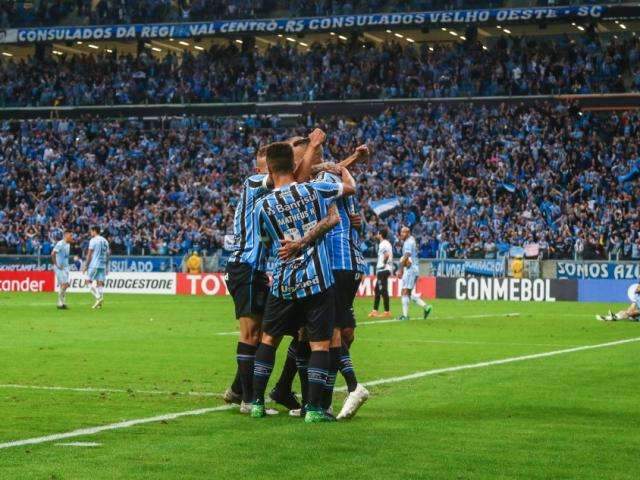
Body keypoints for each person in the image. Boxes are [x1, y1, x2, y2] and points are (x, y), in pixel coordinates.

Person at [250, 141, 356, 423]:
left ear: (270, 169)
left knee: (269, 340)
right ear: (294, 166)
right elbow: (345, 193)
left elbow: (264, 241)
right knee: (320, 344)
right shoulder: (313, 190)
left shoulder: (261, 206)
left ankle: (257, 403)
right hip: (318, 278)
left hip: (284, 281)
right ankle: (313, 410)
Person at [223, 130, 326, 413]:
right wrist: (312, 149)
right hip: (245, 265)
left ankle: (241, 389)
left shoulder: (271, 189)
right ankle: (246, 399)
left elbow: (296, 180)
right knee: (252, 333)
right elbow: (296, 180)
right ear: (263, 167)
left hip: (257, 269)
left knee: (273, 330)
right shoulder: (255, 182)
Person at [279, 146, 371, 420]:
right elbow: (348, 198)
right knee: (340, 333)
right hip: (348, 262)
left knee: (324, 332)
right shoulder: (329, 177)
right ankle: (321, 400)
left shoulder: (324, 181)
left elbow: (340, 187)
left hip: (335, 261)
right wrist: (350, 162)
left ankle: (348, 388)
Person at [398, 226, 432, 321]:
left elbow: (407, 255)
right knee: (407, 293)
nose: (401, 234)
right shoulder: (411, 240)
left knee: (405, 291)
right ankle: (426, 307)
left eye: (403, 232)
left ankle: (405, 316)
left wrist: (400, 269)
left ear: (408, 233)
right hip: (413, 269)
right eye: (401, 232)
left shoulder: (408, 242)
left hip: (410, 269)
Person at [83, 226, 110, 309]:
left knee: (87, 281)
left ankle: (98, 298)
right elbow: (108, 254)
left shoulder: (93, 240)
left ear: (95, 231)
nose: (91, 233)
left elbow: (89, 254)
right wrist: (107, 266)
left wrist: (86, 265)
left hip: (94, 264)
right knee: (100, 283)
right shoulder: (105, 241)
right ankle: (99, 304)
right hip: (102, 264)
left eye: (91, 231)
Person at [369, 228, 393, 318]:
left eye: (377, 233)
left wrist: (383, 264)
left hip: (382, 270)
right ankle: (375, 311)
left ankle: (387, 311)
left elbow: (386, 255)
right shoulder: (388, 243)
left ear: (380, 234)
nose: (376, 235)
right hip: (384, 270)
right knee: (377, 290)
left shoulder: (383, 244)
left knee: (383, 290)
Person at [51, 229, 73, 310]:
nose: (71, 237)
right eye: (70, 235)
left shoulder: (68, 244)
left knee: (64, 286)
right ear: (66, 235)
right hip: (59, 268)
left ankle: (62, 303)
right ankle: (60, 303)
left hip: (66, 267)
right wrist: (56, 264)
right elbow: (53, 254)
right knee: (64, 285)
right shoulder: (60, 244)